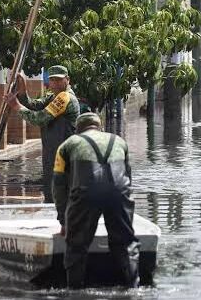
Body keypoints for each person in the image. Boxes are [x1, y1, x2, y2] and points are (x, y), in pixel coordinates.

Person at [53, 112, 139, 289]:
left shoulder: (67, 145)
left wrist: (64, 220)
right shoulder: (120, 142)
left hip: (86, 192)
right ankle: (134, 287)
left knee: (76, 245)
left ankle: (75, 291)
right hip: (119, 191)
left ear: (78, 129)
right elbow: (128, 176)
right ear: (100, 127)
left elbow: (58, 185)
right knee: (125, 243)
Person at [5, 65, 79, 202]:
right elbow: (32, 105)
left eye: (59, 80)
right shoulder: (53, 97)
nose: (55, 83)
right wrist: (22, 87)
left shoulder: (65, 98)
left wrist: (16, 106)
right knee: (52, 194)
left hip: (64, 157)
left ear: (67, 80)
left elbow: (39, 118)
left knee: (60, 197)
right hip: (53, 156)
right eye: (52, 80)